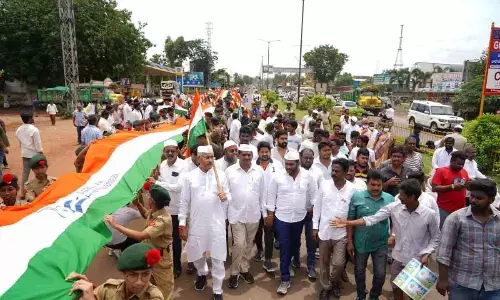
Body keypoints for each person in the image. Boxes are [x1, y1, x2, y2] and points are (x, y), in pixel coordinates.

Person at [334, 179, 440, 300]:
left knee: (414, 296)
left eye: (402, 195)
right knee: (396, 289)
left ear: (412, 197)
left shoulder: (429, 214)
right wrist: (348, 222)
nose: (399, 197)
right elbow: (371, 219)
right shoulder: (394, 207)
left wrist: (426, 253)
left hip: (418, 260)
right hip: (398, 258)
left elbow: (436, 238)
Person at [105, 183, 174, 299]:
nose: (147, 198)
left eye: (149, 196)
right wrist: (138, 204)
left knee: (164, 289)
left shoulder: (162, 220)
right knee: (147, 283)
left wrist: (116, 225)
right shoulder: (155, 211)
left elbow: (141, 236)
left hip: (161, 260)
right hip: (150, 254)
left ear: (153, 201)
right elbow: (146, 215)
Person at [179, 145, 230, 300]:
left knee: (218, 257)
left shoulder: (220, 175)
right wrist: (182, 224)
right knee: (195, 253)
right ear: (199, 158)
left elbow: (229, 197)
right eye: (207, 157)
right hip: (197, 223)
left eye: (212, 157)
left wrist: (225, 196)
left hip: (217, 223)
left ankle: (217, 289)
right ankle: (202, 272)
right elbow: (184, 202)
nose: (210, 160)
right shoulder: (189, 177)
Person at [437, 178, 500, 299]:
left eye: (479, 198)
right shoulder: (456, 219)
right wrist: (443, 279)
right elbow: (444, 252)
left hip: (493, 285)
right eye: (472, 196)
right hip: (463, 284)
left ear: (491, 200)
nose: (473, 200)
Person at [266, 151, 318, 295]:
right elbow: (270, 196)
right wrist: (270, 214)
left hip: (300, 218)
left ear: (298, 163)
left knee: (295, 244)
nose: (288, 167)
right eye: (286, 164)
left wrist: (314, 210)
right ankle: (284, 279)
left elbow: (314, 196)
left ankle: (291, 261)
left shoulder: (308, 177)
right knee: (284, 246)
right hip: (282, 218)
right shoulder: (277, 177)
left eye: (291, 164)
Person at [313, 158, 358, 299]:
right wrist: (315, 227)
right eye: (332, 170)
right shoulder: (324, 185)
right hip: (325, 232)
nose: (333, 173)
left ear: (345, 172)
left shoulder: (352, 189)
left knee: (338, 263)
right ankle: (326, 287)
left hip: (341, 234)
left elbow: (353, 212)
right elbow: (317, 207)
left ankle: (334, 282)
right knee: (324, 263)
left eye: (337, 171)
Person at [347, 170, 394, 300]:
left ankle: (374, 296)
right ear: (366, 183)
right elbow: (351, 220)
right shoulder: (357, 197)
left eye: (379, 185)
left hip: (381, 243)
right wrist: (350, 241)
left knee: (380, 274)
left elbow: (395, 221)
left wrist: (392, 235)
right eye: (372, 185)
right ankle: (361, 294)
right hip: (361, 242)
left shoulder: (390, 199)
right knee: (359, 271)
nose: (376, 188)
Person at [225, 144, 266, 289]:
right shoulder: (230, 171)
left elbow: (263, 194)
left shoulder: (259, 171)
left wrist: (265, 214)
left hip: (254, 215)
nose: (247, 157)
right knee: (239, 244)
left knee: (249, 244)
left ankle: (244, 268)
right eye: (244, 154)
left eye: (249, 155)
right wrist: (229, 201)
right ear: (238, 155)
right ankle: (234, 273)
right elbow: (226, 191)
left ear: (252, 156)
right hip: (236, 214)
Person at [65, 243, 164, 300]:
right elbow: (92, 295)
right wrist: (83, 289)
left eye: (145, 274)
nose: (139, 282)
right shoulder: (109, 288)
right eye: (133, 275)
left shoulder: (154, 297)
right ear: (124, 274)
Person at [149, 140, 187, 278]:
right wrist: (156, 177)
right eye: (167, 151)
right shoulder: (163, 165)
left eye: (172, 150)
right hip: (162, 209)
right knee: (160, 239)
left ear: (177, 150)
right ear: (164, 152)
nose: (170, 153)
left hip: (176, 210)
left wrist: (158, 182)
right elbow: (161, 184)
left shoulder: (183, 166)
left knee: (176, 240)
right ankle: (161, 264)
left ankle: (176, 266)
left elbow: (178, 187)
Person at [254, 141, 283, 272]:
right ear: (258, 152)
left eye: (267, 152)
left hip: (272, 206)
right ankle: (259, 249)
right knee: (258, 231)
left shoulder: (277, 165)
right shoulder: (253, 166)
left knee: (269, 232)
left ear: (270, 152)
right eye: (262, 152)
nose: (264, 154)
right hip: (255, 205)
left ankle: (268, 260)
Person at [432, 151, 469, 228]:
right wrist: (452, 187)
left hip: (460, 210)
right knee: (441, 230)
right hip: (444, 209)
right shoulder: (441, 171)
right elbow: (434, 188)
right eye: (459, 164)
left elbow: (467, 185)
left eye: (462, 164)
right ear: (451, 161)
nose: (461, 166)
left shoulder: (464, 172)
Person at [16, 110, 43, 195]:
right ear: (30, 119)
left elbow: (20, 143)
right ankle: (40, 191)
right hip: (35, 155)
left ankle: (23, 192)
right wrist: (41, 153)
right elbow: (38, 144)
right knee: (40, 173)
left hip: (25, 154)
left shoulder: (19, 130)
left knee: (25, 173)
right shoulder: (34, 130)